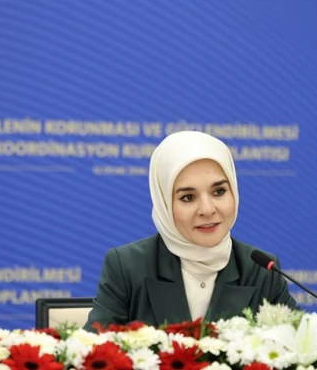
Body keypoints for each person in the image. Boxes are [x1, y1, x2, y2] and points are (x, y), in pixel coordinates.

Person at [84, 131, 297, 329]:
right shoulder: (127, 267)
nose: (207, 210)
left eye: (219, 191)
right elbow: (93, 349)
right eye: (188, 197)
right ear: (165, 204)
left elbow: (297, 347)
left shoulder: (262, 271)